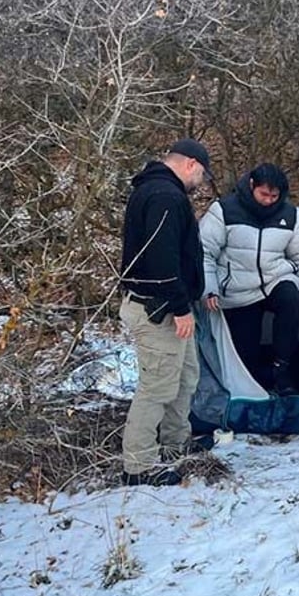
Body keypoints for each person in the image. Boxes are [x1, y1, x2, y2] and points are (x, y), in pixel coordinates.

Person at [118, 138, 214, 487]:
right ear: (190, 164)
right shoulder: (164, 197)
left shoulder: (160, 191)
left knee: (186, 376)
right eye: (202, 174)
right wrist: (179, 307)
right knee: (157, 387)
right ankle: (138, 466)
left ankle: (175, 444)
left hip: (171, 308)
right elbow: (161, 259)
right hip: (158, 310)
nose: (201, 182)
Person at [199, 163, 299, 395]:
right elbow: (204, 252)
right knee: (246, 351)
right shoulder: (224, 211)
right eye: (264, 194)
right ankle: (256, 380)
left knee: (290, 299)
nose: (268, 201)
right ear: (252, 185)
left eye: (274, 196)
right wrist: (210, 289)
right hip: (238, 288)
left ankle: (282, 368)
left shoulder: (290, 215)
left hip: (275, 279)